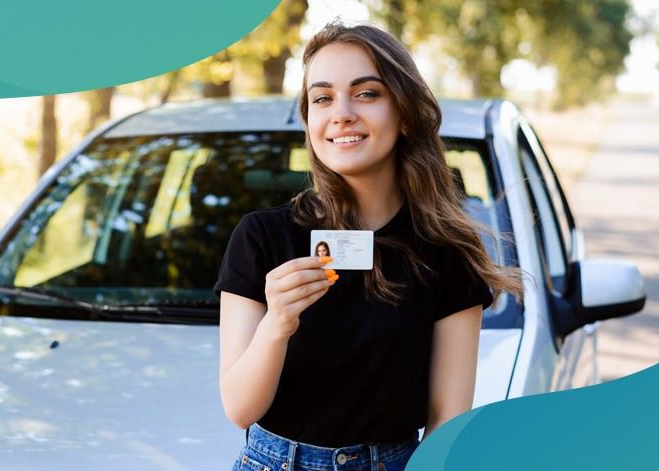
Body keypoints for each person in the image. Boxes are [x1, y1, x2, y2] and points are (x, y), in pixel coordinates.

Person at [214, 21, 524, 471]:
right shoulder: (261, 237)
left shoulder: (445, 252)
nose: (341, 113)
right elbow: (240, 409)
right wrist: (277, 324)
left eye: (366, 93)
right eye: (322, 98)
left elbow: (447, 421)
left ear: (404, 115)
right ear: (310, 120)